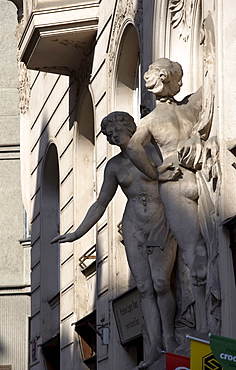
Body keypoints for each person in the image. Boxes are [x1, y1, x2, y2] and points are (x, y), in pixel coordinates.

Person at [51, 111, 180, 369]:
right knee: (144, 288)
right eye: (109, 135)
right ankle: (154, 346)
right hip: (133, 224)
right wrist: (77, 233)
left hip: (160, 218)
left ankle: (169, 338)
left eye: (116, 131)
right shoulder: (114, 166)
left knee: (161, 283)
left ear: (129, 128)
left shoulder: (152, 149)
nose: (113, 136)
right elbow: (101, 204)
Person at [126, 58, 209, 333]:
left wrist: (155, 173)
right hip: (198, 174)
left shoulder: (149, 121)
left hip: (175, 183)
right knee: (208, 248)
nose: (181, 82)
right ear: (169, 78)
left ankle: (205, 324)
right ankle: (207, 323)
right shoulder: (190, 106)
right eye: (178, 77)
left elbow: (133, 147)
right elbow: (212, 82)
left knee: (195, 252)